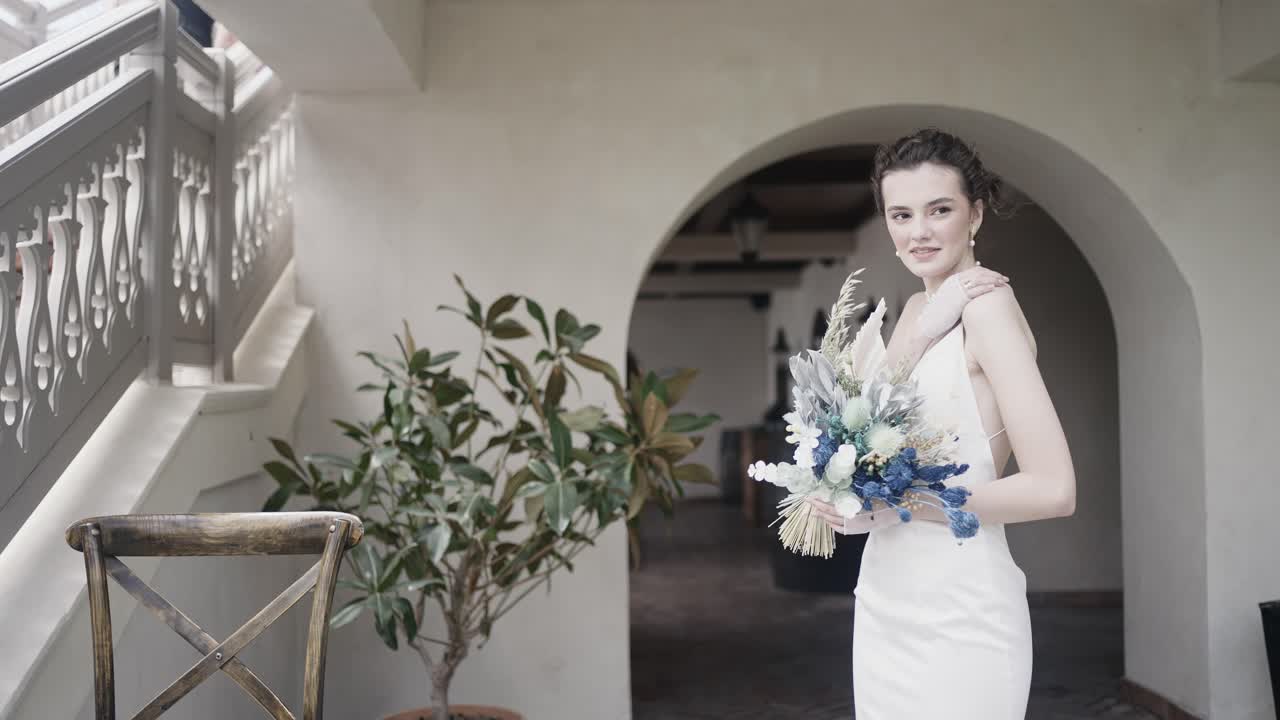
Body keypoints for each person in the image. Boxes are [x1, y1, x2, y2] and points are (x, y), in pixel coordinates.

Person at [806, 128, 1077, 719]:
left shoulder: (989, 309)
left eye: (940, 210)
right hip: (885, 596)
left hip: (960, 605)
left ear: (975, 214)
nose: (919, 231)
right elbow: (866, 418)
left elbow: (1054, 490)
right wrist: (848, 496)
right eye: (901, 214)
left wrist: (901, 503)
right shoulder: (917, 311)